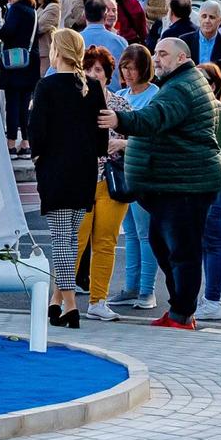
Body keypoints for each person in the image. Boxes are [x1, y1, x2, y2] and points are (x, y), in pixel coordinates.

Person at [99, 37, 221, 330]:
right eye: (156, 53)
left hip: (184, 184)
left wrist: (119, 119)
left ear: (182, 58)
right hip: (175, 183)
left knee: (182, 250)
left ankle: (182, 314)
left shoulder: (180, 88)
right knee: (162, 242)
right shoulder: (181, 83)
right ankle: (180, 309)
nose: (157, 59)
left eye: (163, 54)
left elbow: (154, 118)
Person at [26, 28, 104, 329]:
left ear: (57, 52)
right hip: (84, 169)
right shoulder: (93, 87)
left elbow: (37, 130)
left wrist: (37, 156)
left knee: (62, 239)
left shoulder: (47, 87)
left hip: (56, 168)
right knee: (70, 238)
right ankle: (55, 301)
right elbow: (100, 135)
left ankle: (69, 302)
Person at [74, 45, 131, 322]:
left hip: (111, 181)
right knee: (75, 241)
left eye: (98, 69)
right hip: (81, 178)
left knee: (105, 242)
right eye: (88, 68)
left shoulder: (119, 104)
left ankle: (98, 300)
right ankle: (62, 299)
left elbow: (139, 139)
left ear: (108, 76)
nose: (92, 74)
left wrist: (120, 141)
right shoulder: (74, 100)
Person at [112, 44, 162, 311]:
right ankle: (131, 287)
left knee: (145, 233)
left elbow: (154, 137)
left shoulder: (156, 96)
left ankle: (147, 290)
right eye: (124, 67)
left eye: (131, 67)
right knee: (130, 232)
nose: (127, 73)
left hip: (144, 170)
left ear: (144, 68)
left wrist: (123, 144)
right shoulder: (120, 94)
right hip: (122, 171)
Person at [195, 61, 221, 321]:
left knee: (213, 240)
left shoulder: (219, 114)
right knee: (203, 242)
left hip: (218, 184)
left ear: (213, 85)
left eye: (201, 81)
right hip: (201, 184)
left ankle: (213, 299)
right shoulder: (197, 110)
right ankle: (208, 297)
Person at [0, 0, 38, 157]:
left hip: (14, 63)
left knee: (12, 104)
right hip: (30, 61)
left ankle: (11, 144)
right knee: (25, 105)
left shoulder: (15, 10)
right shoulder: (32, 10)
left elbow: (8, 31)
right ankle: (26, 143)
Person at [184, 0, 221, 75]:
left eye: (212, 17)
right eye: (204, 16)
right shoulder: (185, 41)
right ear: (199, 18)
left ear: (220, 21)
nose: (207, 20)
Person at [80, 0, 127, 66]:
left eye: (114, 10)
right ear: (105, 16)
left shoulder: (74, 40)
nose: (111, 14)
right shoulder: (120, 42)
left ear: (84, 16)